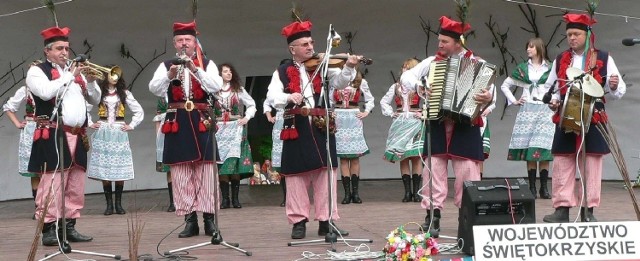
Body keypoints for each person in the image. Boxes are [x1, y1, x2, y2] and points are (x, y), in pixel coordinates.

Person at [266, 19, 360, 239]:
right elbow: (272, 96)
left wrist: (349, 66)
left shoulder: (322, 65)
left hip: (320, 125)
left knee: (326, 174)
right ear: (293, 49)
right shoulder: (282, 71)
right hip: (296, 125)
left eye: (311, 42)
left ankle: (326, 222)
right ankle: (298, 222)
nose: (310, 47)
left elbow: (340, 83)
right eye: (305, 44)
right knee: (295, 176)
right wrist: (289, 96)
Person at [400, 16, 494, 231]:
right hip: (437, 122)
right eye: (439, 40)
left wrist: (487, 98)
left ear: (458, 43)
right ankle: (433, 216)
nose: (439, 45)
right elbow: (406, 78)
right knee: (433, 171)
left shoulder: (477, 63)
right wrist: (419, 86)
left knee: (468, 173)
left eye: (444, 42)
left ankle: (466, 217)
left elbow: (491, 96)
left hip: (465, 125)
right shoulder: (432, 63)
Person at [543, 14, 625, 223]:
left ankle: (589, 210)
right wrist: (553, 100)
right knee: (562, 161)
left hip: (593, 117)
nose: (572, 38)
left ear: (587, 35)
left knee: (592, 163)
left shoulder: (604, 58)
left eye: (576, 34)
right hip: (566, 115)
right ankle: (561, 209)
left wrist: (614, 86)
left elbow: (617, 89)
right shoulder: (561, 59)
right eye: (569, 34)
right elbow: (551, 86)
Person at [26, 26, 101, 246]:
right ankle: (49, 229)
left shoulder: (74, 74)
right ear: (47, 51)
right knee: (52, 183)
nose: (64, 53)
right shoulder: (37, 71)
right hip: (53, 132)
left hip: (77, 134)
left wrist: (92, 81)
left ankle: (69, 226)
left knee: (75, 183)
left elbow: (95, 100)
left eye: (66, 48)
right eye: (59, 48)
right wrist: (71, 75)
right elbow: (46, 92)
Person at [149, 21, 223, 238]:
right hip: (177, 120)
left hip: (201, 119)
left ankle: (209, 219)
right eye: (180, 40)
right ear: (175, 43)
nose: (184, 44)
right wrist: (169, 75)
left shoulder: (207, 64)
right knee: (180, 172)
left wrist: (194, 69)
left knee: (207, 171)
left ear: (195, 43)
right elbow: (154, 88)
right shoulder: (165, 65)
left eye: (188, 40)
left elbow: (216, 86)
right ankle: (190, 220)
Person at [500, 37, 554, 198]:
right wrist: (514, 100)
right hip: (527, 111)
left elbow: (558, 86)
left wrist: (554, 100)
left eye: (531, 47)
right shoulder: (523, 68)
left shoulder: (551, 68)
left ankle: (544, 187)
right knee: (530, 148)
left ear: (538, 48)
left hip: (545, 111)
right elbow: (505, 85)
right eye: (527, 47)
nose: (528, 50)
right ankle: (531, 187)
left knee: (543, 148)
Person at [87, 66, 144, 215]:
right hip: (104, 130)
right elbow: (84, 108)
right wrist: (90, 123)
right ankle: (109, 204)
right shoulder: (99, 93)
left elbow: (138, 110)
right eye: (110, 74)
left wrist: (131, 125)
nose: (113, 77)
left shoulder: (124, 93)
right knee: (105, 167)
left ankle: (118, 204)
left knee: (119, 167)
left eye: (115, 74)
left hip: (119, 131)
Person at [380, 58, 424, 203]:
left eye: (407, 67)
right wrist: (391, 113)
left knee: (416, 156)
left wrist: (424, 113)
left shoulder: (420, 85)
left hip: (416, 121)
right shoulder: (396, 86)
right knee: (402, 156)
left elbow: (431, 100)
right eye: (403, 67)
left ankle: (417, 192)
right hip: (400, 123)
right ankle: (407, 192)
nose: (404, 69)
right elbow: (384, 101)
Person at [3, 61, 43, 219]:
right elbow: (9, 107)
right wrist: (18, 123)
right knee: (34, 172)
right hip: (31, 130)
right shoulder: (25, 90)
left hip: (47, 129)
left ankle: (49, 207)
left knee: (47, 171)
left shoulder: (50, 89)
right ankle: (38, 208)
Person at [214, 63, 257, 209]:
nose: (228, 74)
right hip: (219, 130)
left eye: (230, 71)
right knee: (222, 163)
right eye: (225, 71)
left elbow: (252, 104)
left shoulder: (238, 90)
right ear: (219, 74)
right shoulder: (213, 91)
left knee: (234, 161)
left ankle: (236, 199)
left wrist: (246, 118)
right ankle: (225, 199)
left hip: (235, 129)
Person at [331, 70, 374, 204]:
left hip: (353, 117)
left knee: (354, 157)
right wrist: (330, 112)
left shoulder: (361, 82)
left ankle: (355, 193)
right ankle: (347, 194)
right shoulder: (335, 81)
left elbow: (370, 99)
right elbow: (328, 100)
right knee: (343, 158)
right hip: (339, 117)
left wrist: (366, 111)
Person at [153, 96, 176, 212]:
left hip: (180, 131)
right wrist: (158, 138)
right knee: (169, 168)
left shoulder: (184, 93)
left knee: (183, 166)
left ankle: (185, 199)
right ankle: (173, 202)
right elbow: (158, 120)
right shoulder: (162, 98)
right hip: (165, 132)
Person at [264, 93, 286, 207]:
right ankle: (286, 197)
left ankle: (296, 196)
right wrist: (269, 116)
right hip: (280, 122)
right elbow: (267, 102)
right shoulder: (277, 89)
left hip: (295, 121)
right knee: (282, 162)